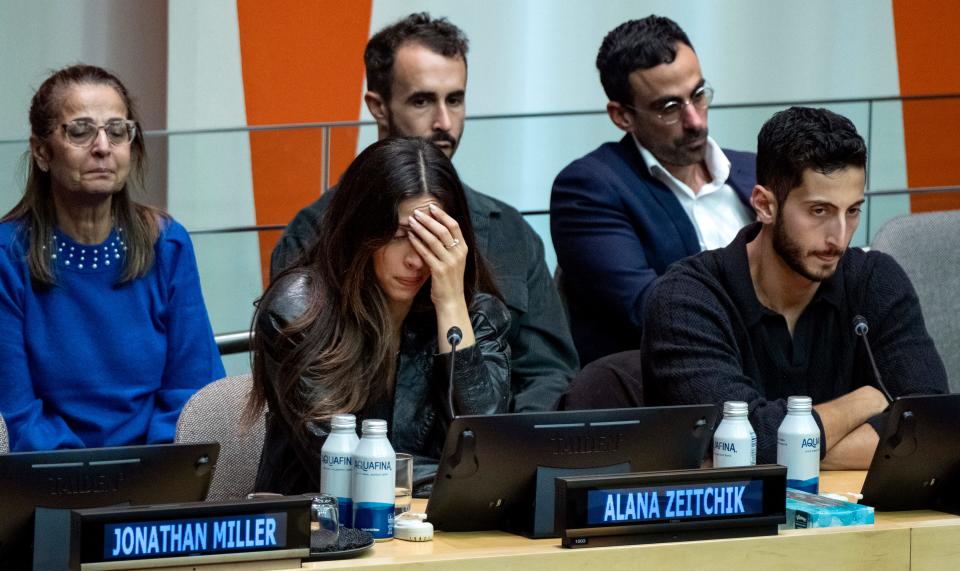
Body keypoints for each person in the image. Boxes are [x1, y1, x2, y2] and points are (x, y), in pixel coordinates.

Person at [271, 13, 577, 412]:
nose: (444, 123)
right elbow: (307, 392)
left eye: (455, 99)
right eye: (422, 100)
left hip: (487, 452)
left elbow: (549, 374)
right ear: (378, 107)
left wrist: (511, 455)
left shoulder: (511, 233)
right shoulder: (316, 231)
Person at [642, 106, 948, 468]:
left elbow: (931, 429)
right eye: (819, 211)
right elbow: (745, 443)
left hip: (862, 518)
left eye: (852, 211)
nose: (839, 236)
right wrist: (864, 402)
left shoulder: (874, 280)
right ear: (764, 205)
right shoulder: (686, 300)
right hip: (736, 520)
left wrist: (792, 449)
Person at [249, 137, 511, 494]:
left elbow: (490, 449)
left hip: (437, 534)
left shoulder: (473, 314)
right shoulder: (297, 312)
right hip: (323, 528)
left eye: (432, 240)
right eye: (402, 235)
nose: (416, 260)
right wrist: (460, 480)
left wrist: (450, 304)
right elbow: (343, 465)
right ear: (362, 229)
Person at [0, 64, 224, 451]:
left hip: (158, 478)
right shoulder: (8, 253)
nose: (102, 146)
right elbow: (14, 413)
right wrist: (86, 479)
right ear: (41, 151)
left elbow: (193, 393)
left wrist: (150, 476)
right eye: (81, 130)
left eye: (117, 130)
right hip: (44, 482)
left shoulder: (167, 243)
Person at [550, 15, 756, 366]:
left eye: (699, 95)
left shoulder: (757, 170)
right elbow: (649, 309)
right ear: (621, 116)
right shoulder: (589, 188)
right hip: (671, 391)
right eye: (670, 107)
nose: (695, 121)